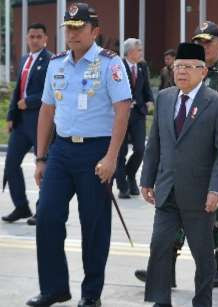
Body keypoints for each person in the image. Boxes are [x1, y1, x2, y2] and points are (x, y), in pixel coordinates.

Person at [27, 3, 132, 307]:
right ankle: (54, 287)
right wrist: (41, 157)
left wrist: (112, 157)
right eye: (68, 28)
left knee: (94, 224)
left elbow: (122, 110)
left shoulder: (110, 64)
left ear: (94, 31)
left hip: (96, 151)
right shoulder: (57, 64)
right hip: (61, 151)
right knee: (46, 216)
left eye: (78, 27)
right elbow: (47, 109)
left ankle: (91, 294)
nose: (72, 33)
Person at [134, 20, 218, 288]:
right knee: (172, 214)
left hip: (214, 161)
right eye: (199, 42)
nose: (203, 46)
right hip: (180, 164)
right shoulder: (182, 71)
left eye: (208, 41)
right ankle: (165, 270)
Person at [1, 23, 51, 226]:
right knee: (11, 164)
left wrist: (29, 101)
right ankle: (21, 206)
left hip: (40, 121)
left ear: (45, 39)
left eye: (39, 36)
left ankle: (43, 210)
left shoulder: (51, 61)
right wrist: (11, 116)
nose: (35, 40)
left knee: (43, 167)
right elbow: (17, 90)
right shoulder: (24, 59)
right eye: (31, 36)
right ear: (27, 38)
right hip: (21, 124)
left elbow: (52, 92)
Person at [115, 38, 154, 199]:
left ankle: (130, 175)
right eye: (138, 50)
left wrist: (150, 100)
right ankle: (122, 186)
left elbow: (146, 86)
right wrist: (122, 102)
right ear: (130, 52)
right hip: (121, 114)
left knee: (140, 149)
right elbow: (113, 87)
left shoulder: (142, 66)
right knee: (121, 151)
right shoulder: (117, 66)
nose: (141, 53)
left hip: (138, 113)